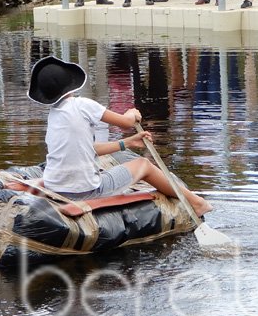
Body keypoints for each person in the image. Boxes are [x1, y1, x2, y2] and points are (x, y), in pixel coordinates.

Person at [28, 56, 211, 214]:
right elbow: (127, 122)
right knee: (144, 165)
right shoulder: (82, 105)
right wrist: (132, 112)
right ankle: (197, 203)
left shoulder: (54, 115)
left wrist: (128, 143)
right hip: (87, 191)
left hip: (55, 188)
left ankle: (194, 201)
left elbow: (87, 149)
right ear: (71, 85)